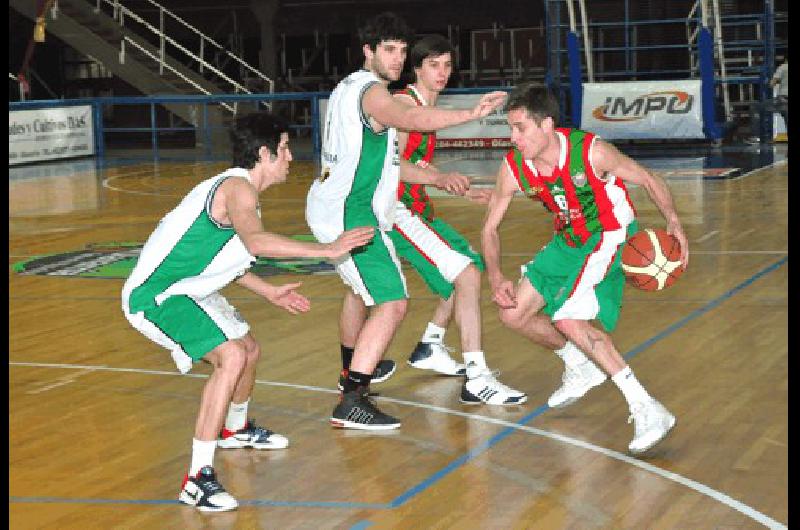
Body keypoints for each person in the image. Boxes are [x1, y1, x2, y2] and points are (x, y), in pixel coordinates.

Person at [122, 112, 374, 512]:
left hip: (191, 289)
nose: (291, 157)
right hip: (156, 296)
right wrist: (326, 249)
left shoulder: (240, 192)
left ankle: (235, 429)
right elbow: (255, 243)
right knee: (231, 356)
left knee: (248, 349)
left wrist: (269, 291)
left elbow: (232, 261)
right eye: (286, 148)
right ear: (264, 153)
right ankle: (197, 478)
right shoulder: (238, 187)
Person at [306, 12, 509, 430]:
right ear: (369, 51)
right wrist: (472, 113)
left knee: (365, 294)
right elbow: (412, 120)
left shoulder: (348, 87)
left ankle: (354, 375)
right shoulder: (373, 92)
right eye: (389, 50)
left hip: (344, 204)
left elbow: (397, 165)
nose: (397, 58)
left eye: (401, 50)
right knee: (393, 302)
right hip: (351, 210)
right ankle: (352, 399)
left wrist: (442, 179)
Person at [481, 83, 689, 454]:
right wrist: (496, 277)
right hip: (570, 239)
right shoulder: (514, 168)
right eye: (510, 128)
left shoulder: (590, 152)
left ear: (546, 125)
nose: (513, 138)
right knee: (513, 314)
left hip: (609, 233)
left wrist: (672, 220)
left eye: (520, 128)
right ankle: (579, 364)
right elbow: (489, 228)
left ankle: (646, 407)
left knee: (569, 319)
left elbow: (646, 176)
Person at [749, 55, 788, 143]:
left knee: (755, 107)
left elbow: (771, 84)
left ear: (786, 59)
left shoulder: (783, 67)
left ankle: (756, 136)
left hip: (783, 101)